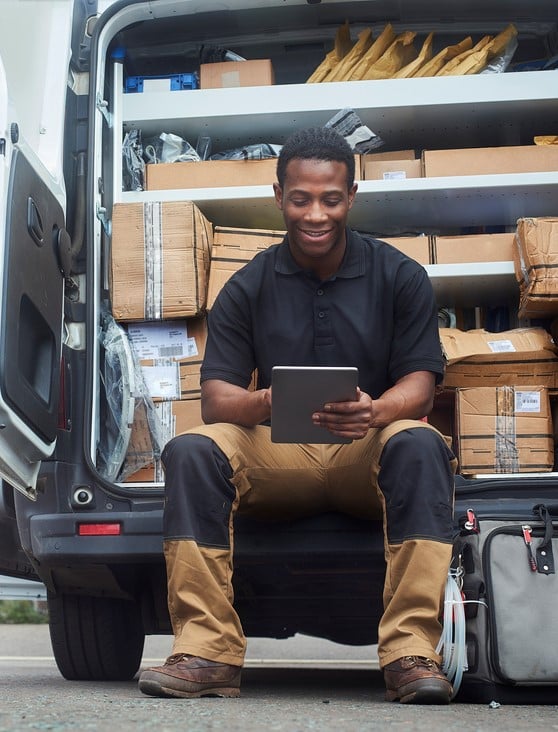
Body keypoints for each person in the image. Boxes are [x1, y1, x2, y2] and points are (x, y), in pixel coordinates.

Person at [139, 126, 457, 704]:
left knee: (420, 441)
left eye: (330, 199)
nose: (316, 214)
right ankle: (207, 652)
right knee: (192, 448)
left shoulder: (399, 276)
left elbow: (422, 383)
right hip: (276, 452)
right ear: (279, 195)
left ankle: (412, 652)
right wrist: (270, 402)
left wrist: (376, 410)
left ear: (351, 196)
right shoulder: (247, 285)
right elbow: (216, 398)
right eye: (301, 198)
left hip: (368, 449)